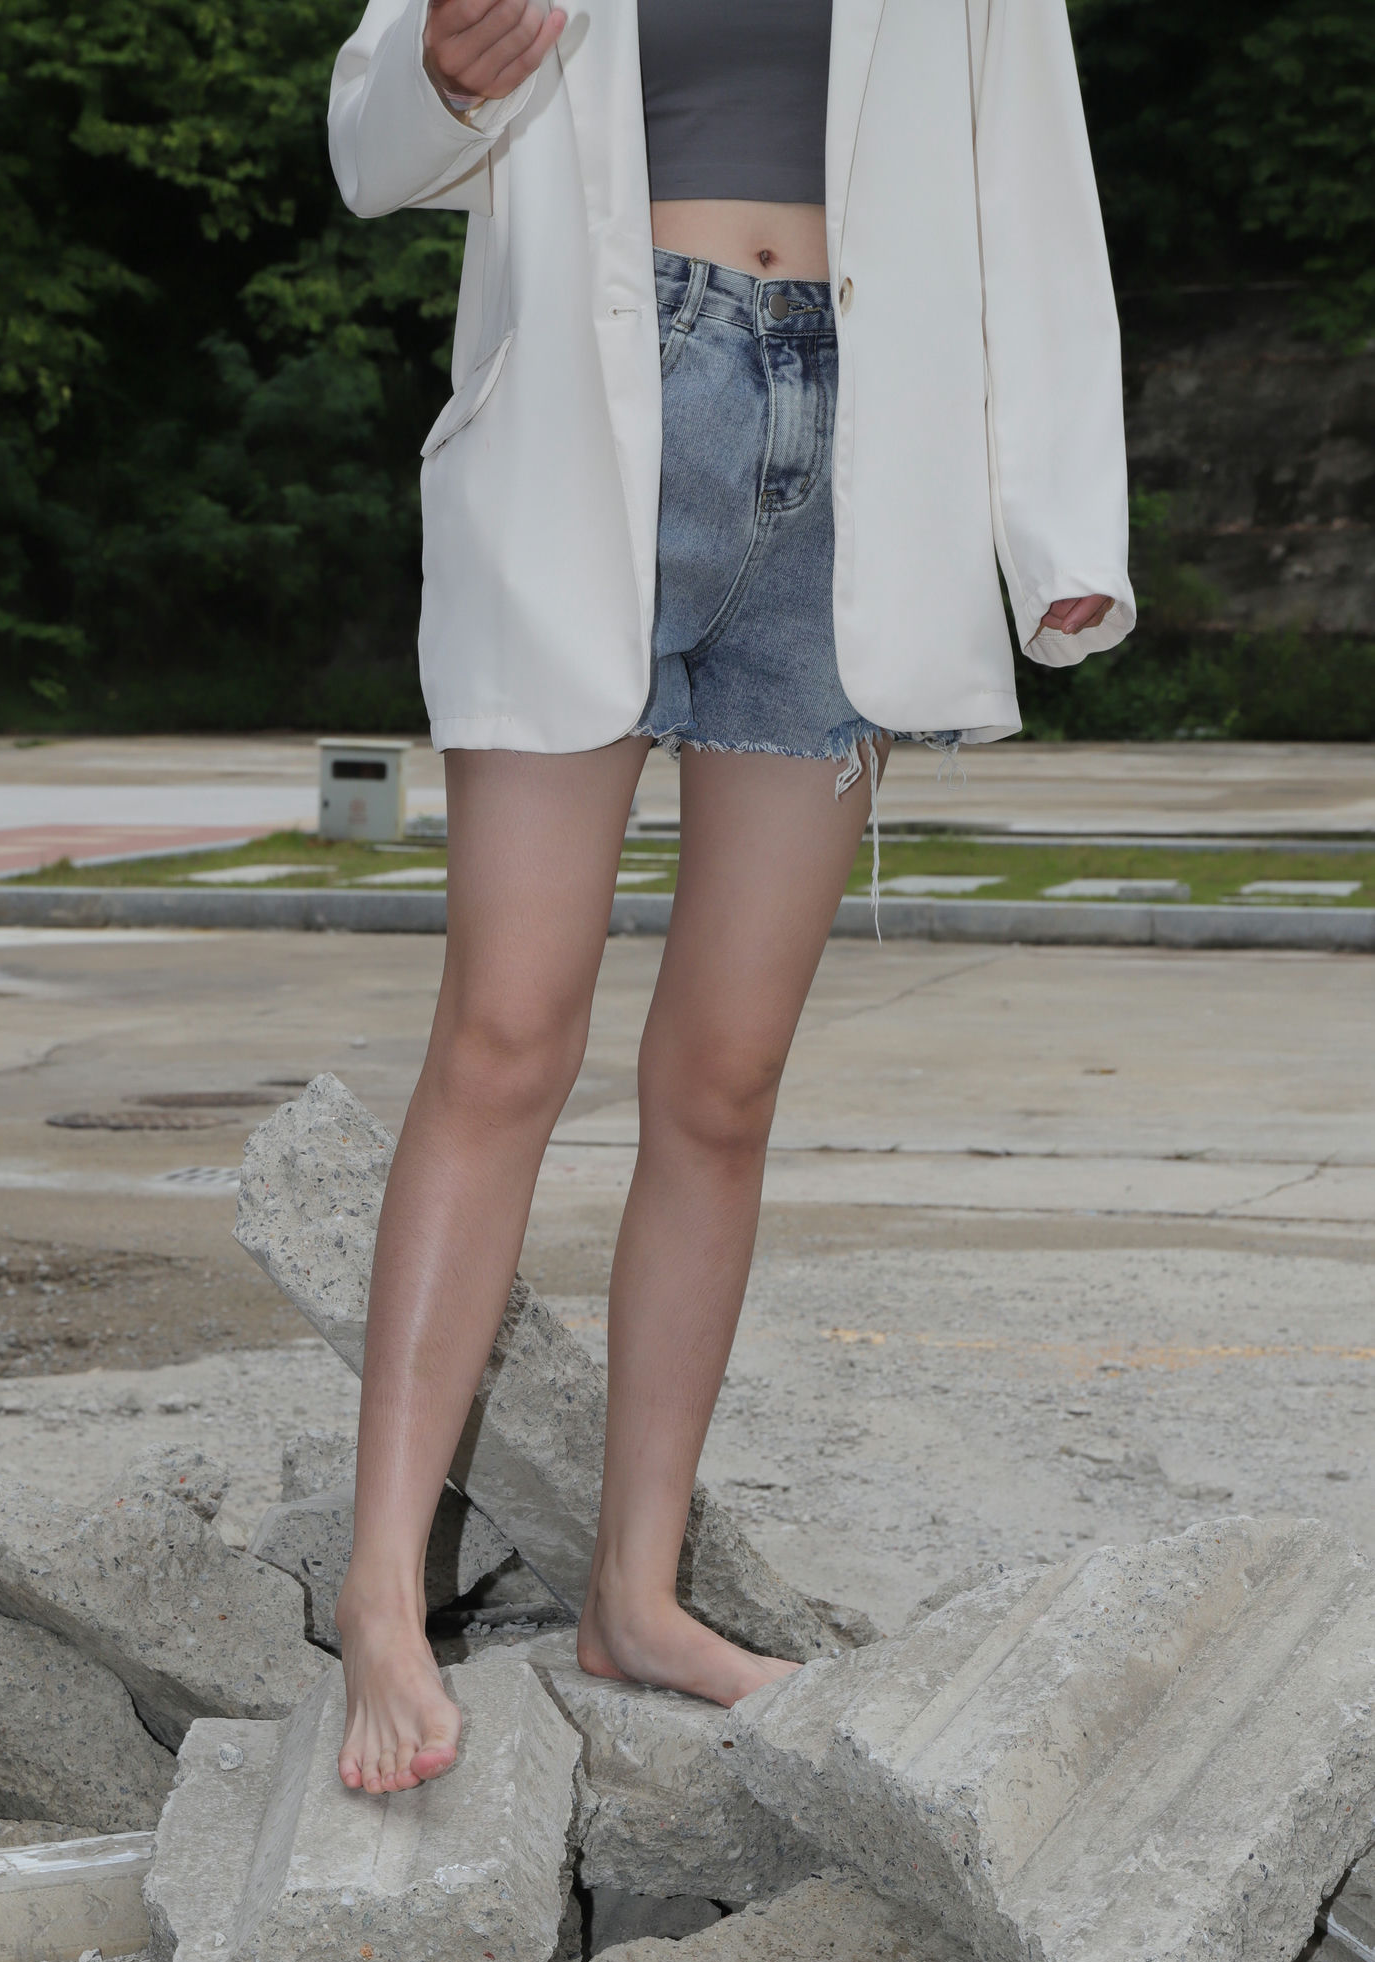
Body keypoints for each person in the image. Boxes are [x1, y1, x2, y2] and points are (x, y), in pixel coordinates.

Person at [326, 0, 1134, 1795]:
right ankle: (381, 1590)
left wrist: (1061, 529)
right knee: (506, 1033)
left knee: (724, 1078)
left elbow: (1030, 174)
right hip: (596, 428)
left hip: (865, 449)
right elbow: (371, 139)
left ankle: (637, 1592)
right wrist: (444, 74)